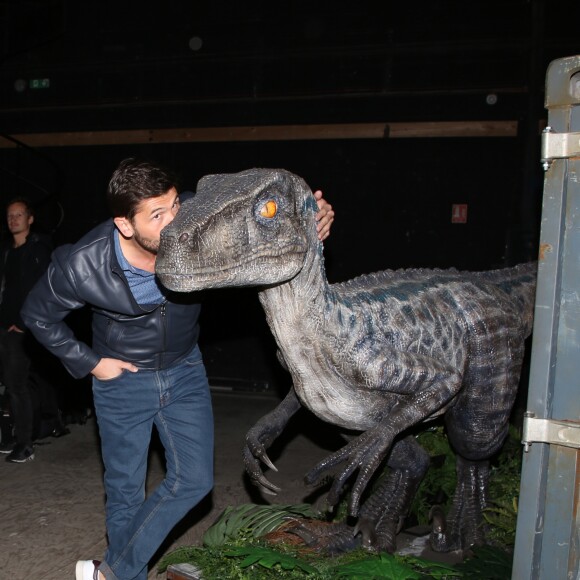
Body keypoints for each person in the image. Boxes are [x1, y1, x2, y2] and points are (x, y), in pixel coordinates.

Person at [21, 158, 334, 580]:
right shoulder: (83, 262)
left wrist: (309, 223)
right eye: (157, 214)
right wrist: (91, 363)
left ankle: (109, 572)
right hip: (124, 381)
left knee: (194, 481)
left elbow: (257, 223)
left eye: (173, 206)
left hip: (185, 369)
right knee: (125, 491)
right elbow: (37, 315)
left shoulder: (193, 219)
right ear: (125, 224)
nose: (172, 221)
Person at [0, 197, 53, 463]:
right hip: (4, 327)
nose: (14, 220)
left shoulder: (38, 249)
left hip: (22, 329)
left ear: (29, 219)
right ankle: (14, 437)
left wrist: (23, 324)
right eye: (10, 216)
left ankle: (25, 444)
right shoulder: (7, 251)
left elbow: (42, 289)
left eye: (19, 215)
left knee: (17, 386)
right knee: (9, 385)